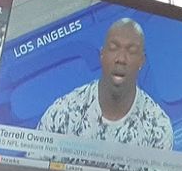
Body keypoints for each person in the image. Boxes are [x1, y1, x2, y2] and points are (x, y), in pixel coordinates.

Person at [37, 18, 174, 150]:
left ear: (141, 61)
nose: (121, 59)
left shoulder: (158, 128)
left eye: (131, 51)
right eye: (114, 48)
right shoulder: (63, 113)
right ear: (102, 55)